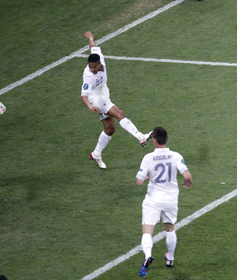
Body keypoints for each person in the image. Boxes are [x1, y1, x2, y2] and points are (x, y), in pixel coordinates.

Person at [81, 31, 152, 169]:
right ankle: (140, 137)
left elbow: (93, 47)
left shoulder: (99, 57)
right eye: (90, 66)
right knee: (120, 113)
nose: (92, 68)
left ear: (99, 62)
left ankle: (96, 154)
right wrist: (90, 106)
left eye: (94, 66)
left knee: (110, 129)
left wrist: (90, 38)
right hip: (96, 99)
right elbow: (83, 96)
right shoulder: (88, 76)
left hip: (104, 95)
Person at [136, 126, 192, 277]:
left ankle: (148, 256)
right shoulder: (175, 155)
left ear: (154, 140)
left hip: (153, 199)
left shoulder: (148, 158)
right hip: (170, 199)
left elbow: (139, 182)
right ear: (165, 140)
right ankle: (170, 258)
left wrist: (146, 177)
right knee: (169, 228)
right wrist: (188, 182)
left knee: (147, 231)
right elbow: (187, 175)